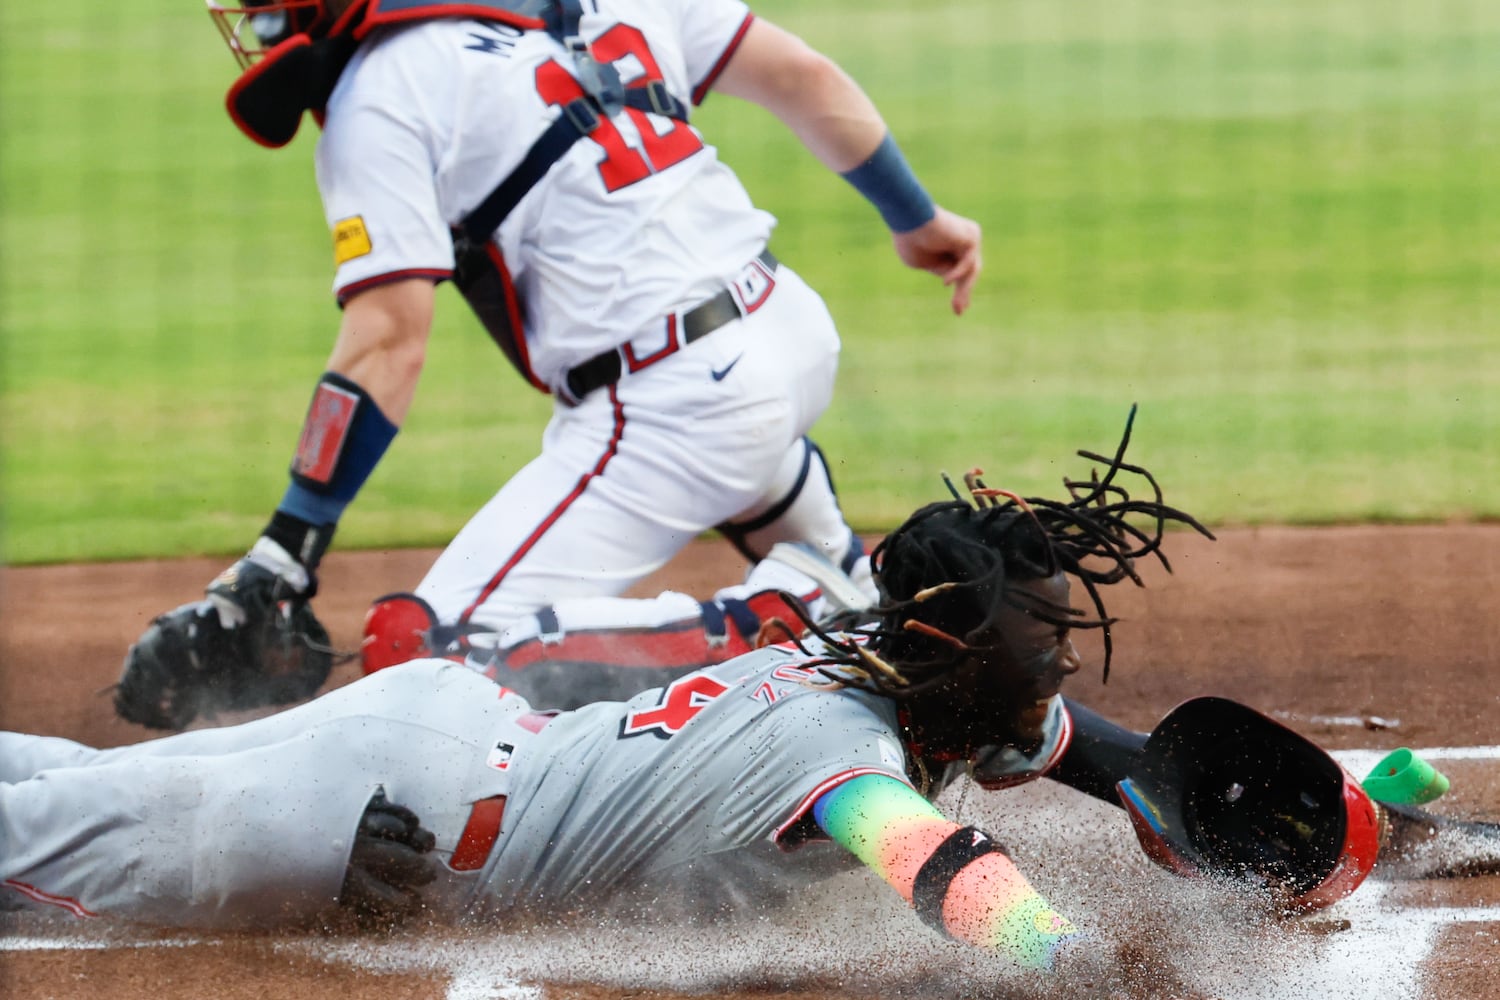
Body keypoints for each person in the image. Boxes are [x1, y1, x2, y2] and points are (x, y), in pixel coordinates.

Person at [9, 428, 1488, 974]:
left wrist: (1404, 819)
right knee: (50, 858)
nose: (1061, 671)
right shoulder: (844, 749)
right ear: (946, 644)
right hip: (368, 813)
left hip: (449, 752)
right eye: (1038, 645)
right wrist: (1076, 960)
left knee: (66, 791)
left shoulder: (942, 695)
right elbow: (947, 877)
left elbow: (1149, 770)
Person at [113, 0, 985, 729]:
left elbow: (388, 339)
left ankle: (778, 620)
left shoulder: (382, 87)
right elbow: (805, 78)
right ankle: (867, 600)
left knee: (428, 660)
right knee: (814, 539)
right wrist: (918, 219)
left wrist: (284, 552)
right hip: (787, 331)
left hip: (675, 403)